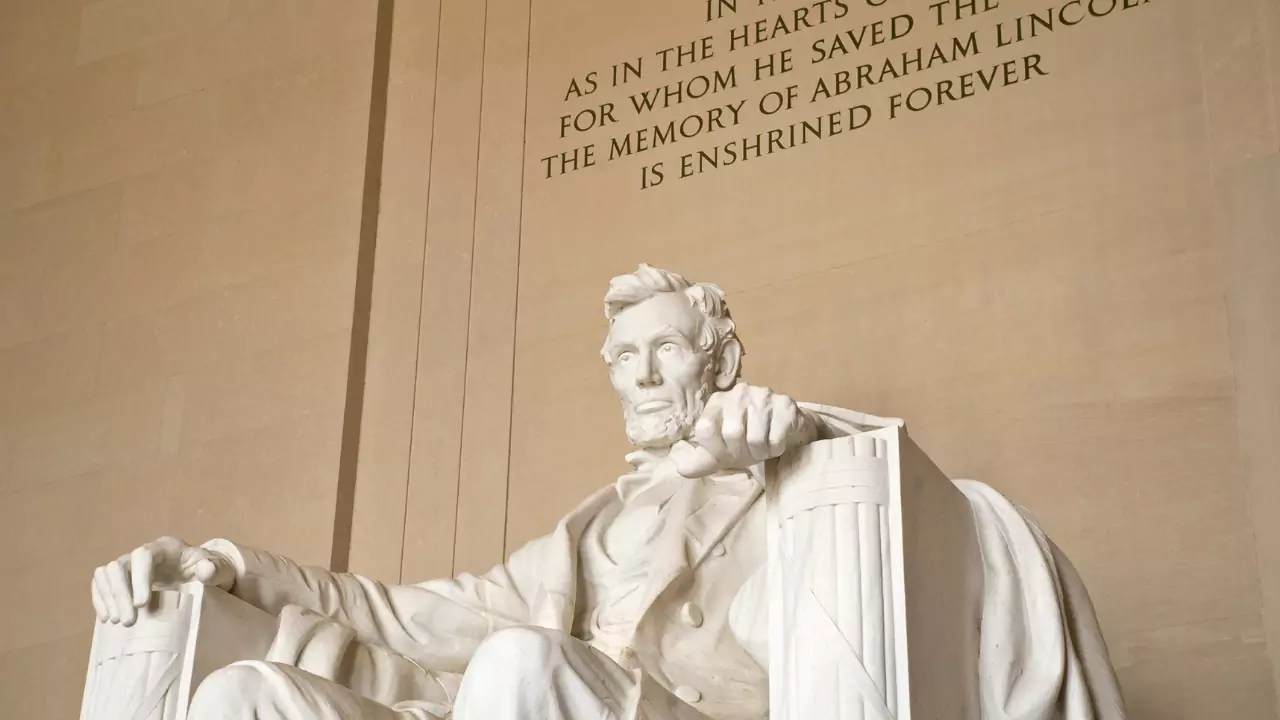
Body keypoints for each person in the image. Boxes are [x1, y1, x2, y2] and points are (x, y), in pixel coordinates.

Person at [91, 264, 1126, 719]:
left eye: (662, 349)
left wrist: (793, 438)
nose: (637, 374)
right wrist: (222, 564)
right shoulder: (585, 535)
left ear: (718, 364)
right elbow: (400, 615)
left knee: (516, 667)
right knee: (242, 698)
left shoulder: (783, 472)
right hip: (532, 703)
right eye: (622, 356)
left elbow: (892, 507)